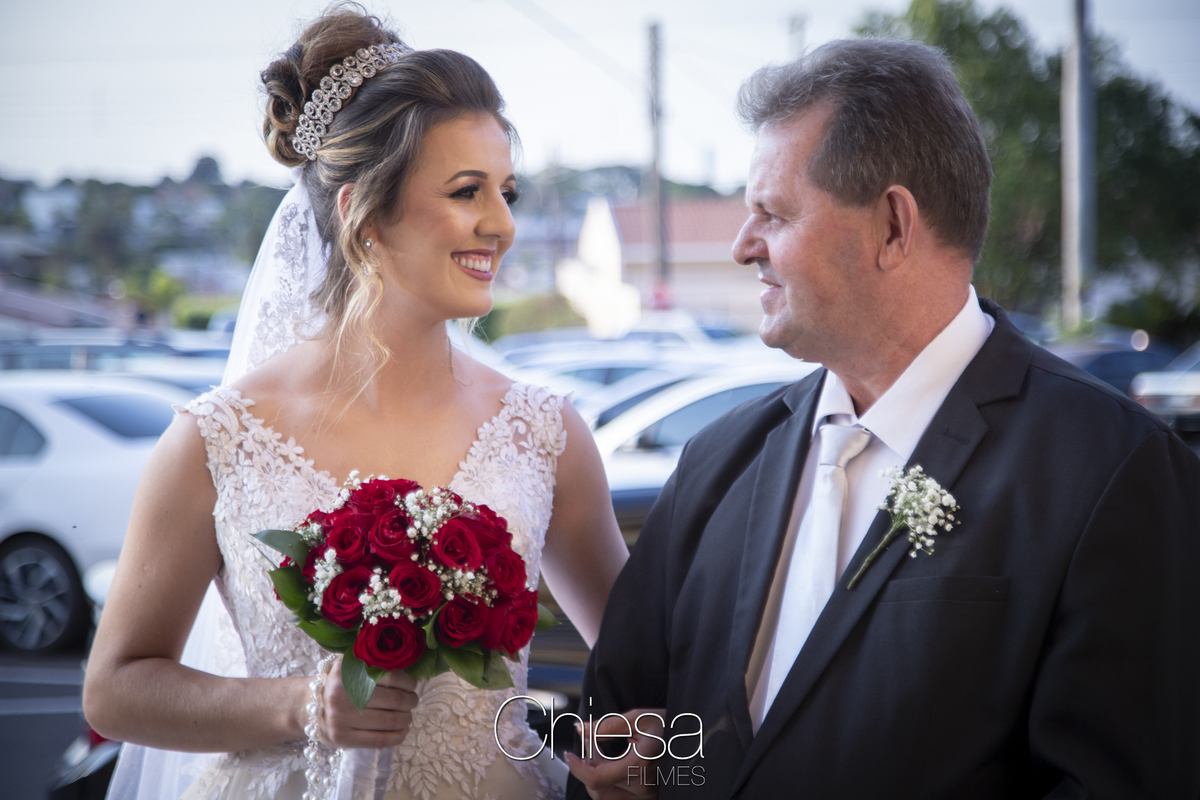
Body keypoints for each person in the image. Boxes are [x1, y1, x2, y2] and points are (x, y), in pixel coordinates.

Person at [566, 38, 1200, 799]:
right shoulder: (718, 460)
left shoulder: (1111, 470)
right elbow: (620, 722)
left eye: (773, 214)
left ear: (894, 225)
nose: (742, 247)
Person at [82, 8, 629, 800]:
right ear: (363, 216)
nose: (503, 225)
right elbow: (115, 689)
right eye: (468, 191)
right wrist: (304, 706)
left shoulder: (546, 433)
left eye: (506, 192)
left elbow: (644, 664)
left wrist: (620, 755)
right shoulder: (216, 440)